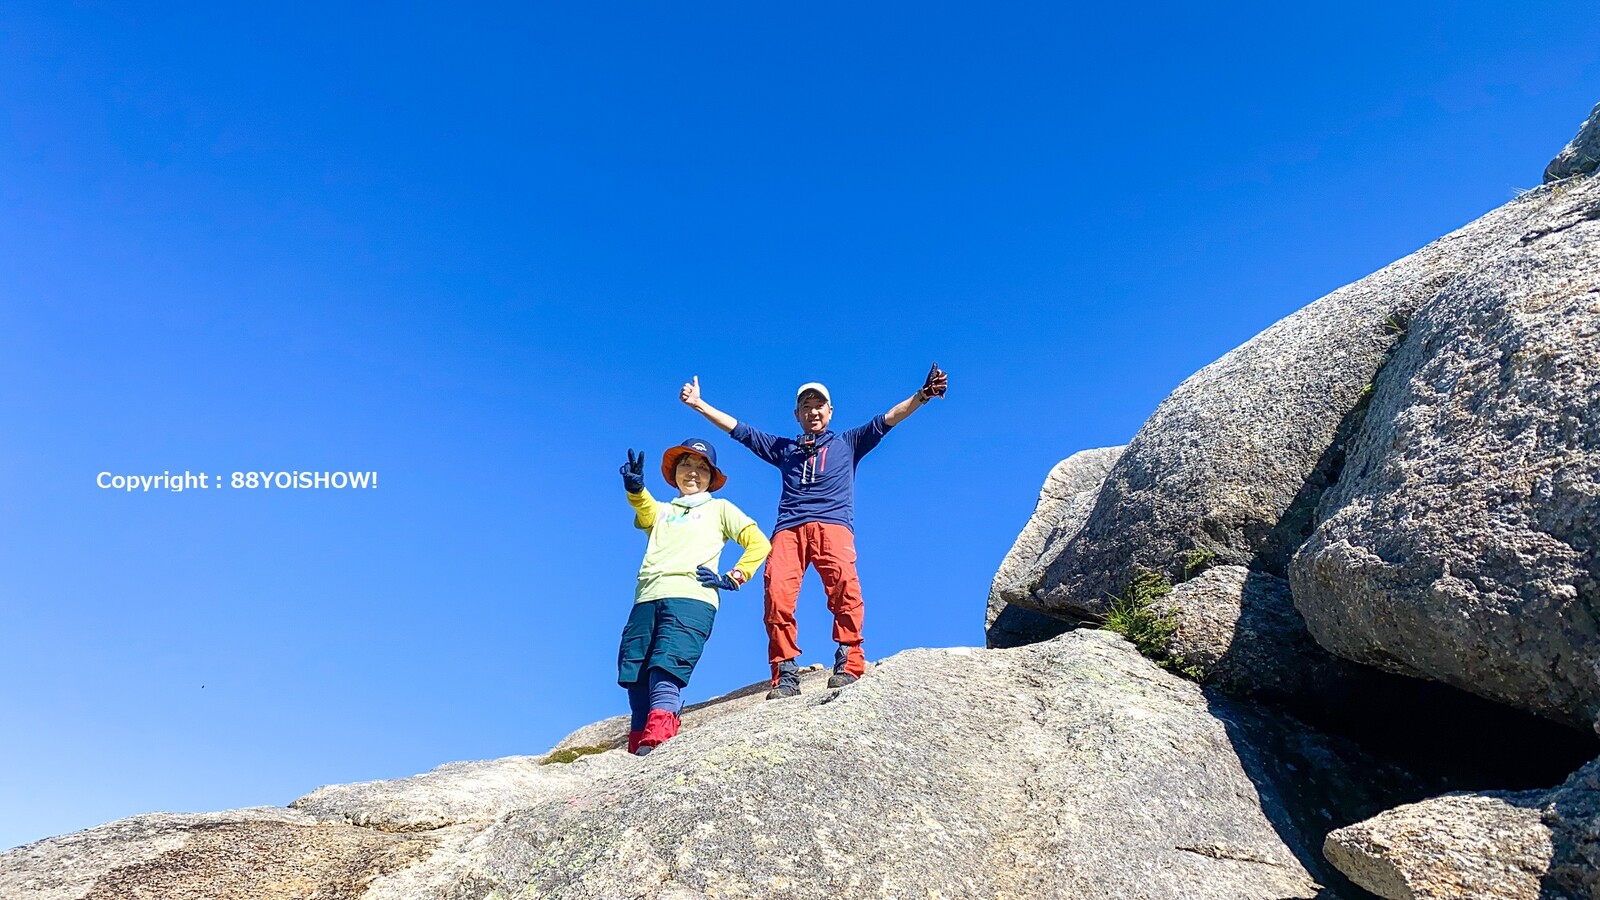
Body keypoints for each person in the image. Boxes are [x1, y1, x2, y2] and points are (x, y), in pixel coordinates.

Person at [679, 364, 948, 699]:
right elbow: (739, 430)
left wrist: (923, 395)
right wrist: (699, 404)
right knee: (776, 594)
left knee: (845, 588)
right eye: (806, 406)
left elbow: (890, 418)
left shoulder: (849, 442)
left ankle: (849, 659)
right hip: (789, 529)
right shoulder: (784, 449)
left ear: (830, 411)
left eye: (819, 405)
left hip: (833, 525)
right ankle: (784, 672)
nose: (813, 411)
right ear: (797, 415)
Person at [616, 438, 771, 754]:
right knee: (635, 670)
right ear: (674, 472)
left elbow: (758, 542)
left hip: (691, 598)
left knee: (666, 664)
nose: (693, 472)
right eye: (686, 465)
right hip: (647, 596)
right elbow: (645, 509)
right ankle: (637, 740)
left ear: (711, 477)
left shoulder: (719, 508)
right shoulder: (664, 510)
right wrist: (635, 489)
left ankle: (660, 733)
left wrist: (734, 577)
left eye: (702, 468)